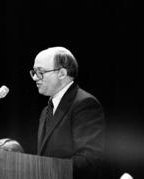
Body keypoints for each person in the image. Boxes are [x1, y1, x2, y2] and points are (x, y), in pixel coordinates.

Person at [30, 47, 105, 179]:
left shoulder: (85, 104)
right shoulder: (45, 111)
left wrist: (44, 170)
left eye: (40, 72)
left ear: (62, 73)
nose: (35, 77)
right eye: (34, 72)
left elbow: (88, 161)